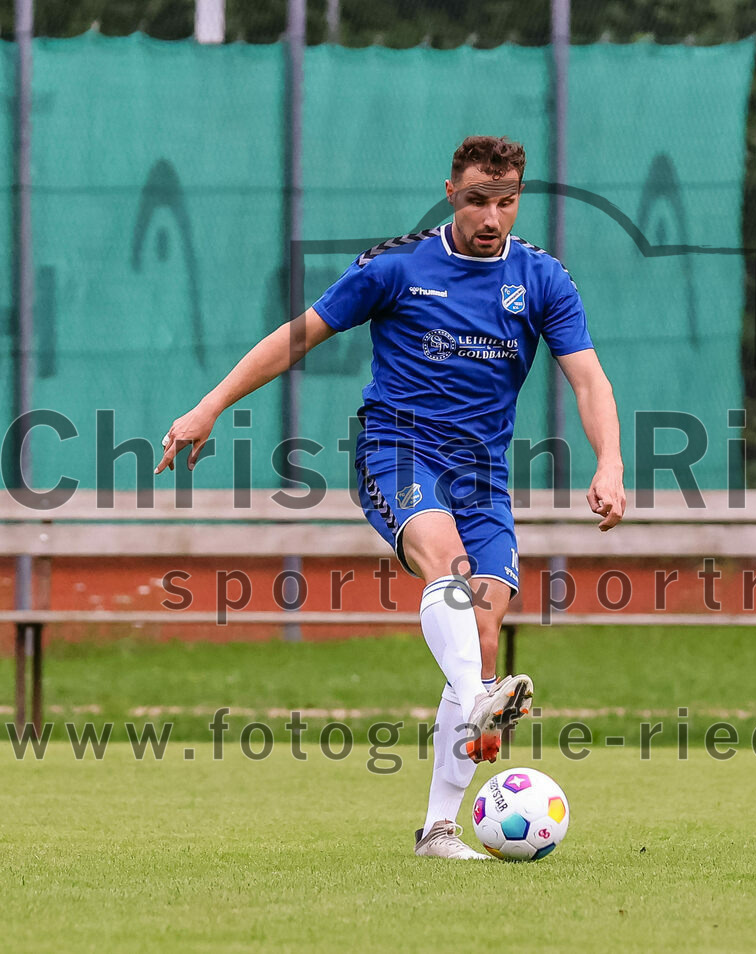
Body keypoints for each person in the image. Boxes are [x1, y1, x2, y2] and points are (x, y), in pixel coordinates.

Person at [156, 135, 626, 859]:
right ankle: (477, 703)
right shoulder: (398, 265)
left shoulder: (542, 279)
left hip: (483, 477)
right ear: (450, 192)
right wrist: (209, 406)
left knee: (483, 633)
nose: (491, 217)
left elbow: (588, 378)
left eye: (505, 202)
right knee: (449, 568)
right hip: (397, 451)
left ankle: (439, 828)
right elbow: (296, 337)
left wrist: (611, 463)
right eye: (476, 200)